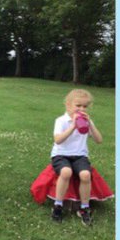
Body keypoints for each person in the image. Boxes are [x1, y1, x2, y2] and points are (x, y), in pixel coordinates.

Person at [49, 88, 104, 225]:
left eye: (85, 106)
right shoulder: (61, 121)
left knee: (85, 174)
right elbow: (58, 140)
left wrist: (90, 124)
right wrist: (73, 126)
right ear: (68, 105)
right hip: (61, 154)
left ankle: (84, 208)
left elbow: (99, 140)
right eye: (78, 105)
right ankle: (58, 205)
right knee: (66, 172)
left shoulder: (87, 121)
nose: (81, 109)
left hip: (80, 155)